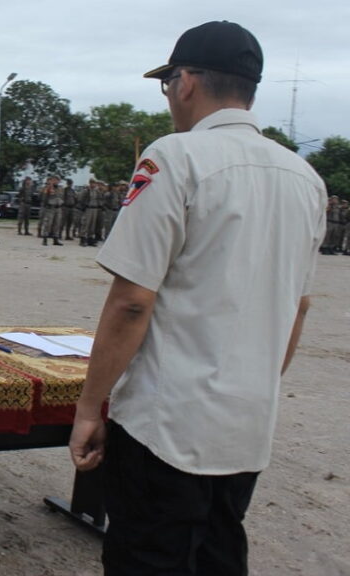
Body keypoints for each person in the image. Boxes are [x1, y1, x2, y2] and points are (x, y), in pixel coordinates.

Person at [68, 21, 327, 575]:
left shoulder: (175, 158)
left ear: (185, 83)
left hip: (169, 424)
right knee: (219, 553)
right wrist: (255, 386)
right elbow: (298, 307)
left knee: (150, 557)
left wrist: (90, 406)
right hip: (247, 423)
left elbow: (132, 300)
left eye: (168, 86)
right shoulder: (305, 178)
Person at [39, 176, 64, 246]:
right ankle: (45, 239)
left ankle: (55, 239)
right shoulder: (48, 188)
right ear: (52, 180)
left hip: (58, 208)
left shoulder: (60, 188)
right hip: (50, 208)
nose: (56, 181)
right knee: (48, 224)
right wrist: (47, 190)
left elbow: (62, 197)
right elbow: (43, 198)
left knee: (57, 224)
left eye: (57, 180)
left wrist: (61, 203)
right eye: (54, 180)